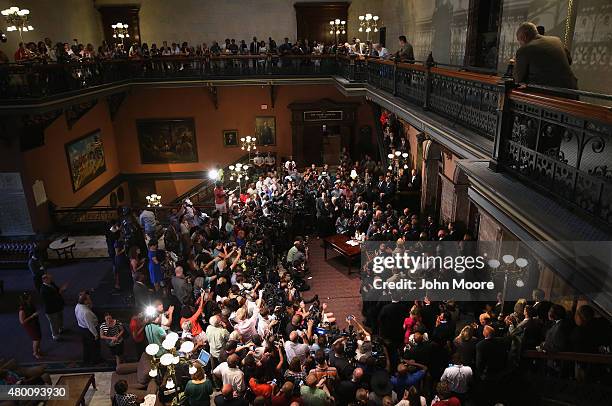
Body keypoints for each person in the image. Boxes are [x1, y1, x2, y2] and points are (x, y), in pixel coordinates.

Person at [512, 22, 577, 92]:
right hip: (572, 91)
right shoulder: (556, 40)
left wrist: (515, 63)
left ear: (524, 37)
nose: (520, 45)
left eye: (519, 41)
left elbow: (518, 79)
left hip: (548, 95)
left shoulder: (524, 50)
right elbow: (569, 60)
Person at [75, 291, 101, 365]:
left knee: (86, 346)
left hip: (82, 328)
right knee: (94, 346)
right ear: (85, 301)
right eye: (89, 298)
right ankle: (95, 360)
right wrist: (95, 334)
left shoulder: (78, 306)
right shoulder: (86, 312)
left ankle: (87, 359)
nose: (90, 299)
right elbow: (90, 325)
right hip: (90, 331)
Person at [39, 273, 66, 341]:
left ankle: (61, 329)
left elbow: (57, 290)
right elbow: (52, 298)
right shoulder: (43, 290)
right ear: (45, 280)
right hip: (51, 309)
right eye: (50, 279)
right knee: (54, 323)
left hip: (58, 306)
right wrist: (60, 291)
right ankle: (55, 336)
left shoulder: (51, 284)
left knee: (60, 319)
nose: (51, 280)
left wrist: (60, 290)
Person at [18, 292, 42, 359]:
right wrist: (32, 316)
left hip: (35, 323)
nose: (31, 297)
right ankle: (35, 353)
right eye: (29, 297)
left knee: (39, 337)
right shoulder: (22, 309)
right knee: (36, 339)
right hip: (30, 325)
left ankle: (38, 349)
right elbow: (22, 322)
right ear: (26, 299)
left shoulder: (30, 303)